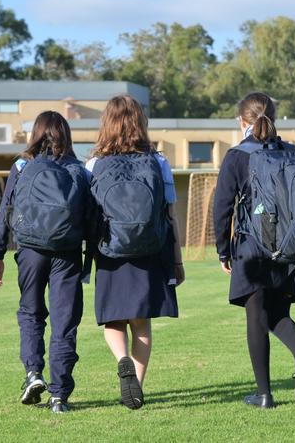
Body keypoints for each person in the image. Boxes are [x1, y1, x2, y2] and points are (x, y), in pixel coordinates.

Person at [213, 92, 295, 409]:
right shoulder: (292, 152)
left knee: (256, 318)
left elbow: (221, 208)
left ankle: (263, 394)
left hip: (252, 246)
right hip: (288, 248)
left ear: (242, 121)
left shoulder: (236, 156)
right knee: (278, 313)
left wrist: (223, 251)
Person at [86, 95, 185, 410]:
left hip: (110, 251)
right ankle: (137, 385)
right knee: (141, 322)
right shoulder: (158, 162)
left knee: (114, 320)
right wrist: (177, 260)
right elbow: (170, 215)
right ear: (140, 123)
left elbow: (88, 214)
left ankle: (122, 359)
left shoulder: (93, 165)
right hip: (151, 248)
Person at [0, 111, 89, 413]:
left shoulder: (22, 165)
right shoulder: (79, 169)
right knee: (64, 322)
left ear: (35, 133)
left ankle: (33, 373)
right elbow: (90, 215)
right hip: (67, 253)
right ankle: (59, 395)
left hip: (30, 250)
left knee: (31, 314)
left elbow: (5, 211)